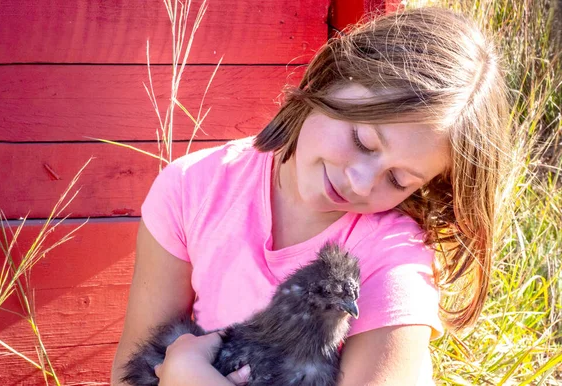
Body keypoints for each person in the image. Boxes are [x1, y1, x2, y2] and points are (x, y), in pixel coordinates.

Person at [110, 6, 511, 385]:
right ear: (334, 74)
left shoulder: (392, 257)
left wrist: (192, 377)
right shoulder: (194, 188)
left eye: (399, 179)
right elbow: (132, 371)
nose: (361, 182)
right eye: (363, 140)